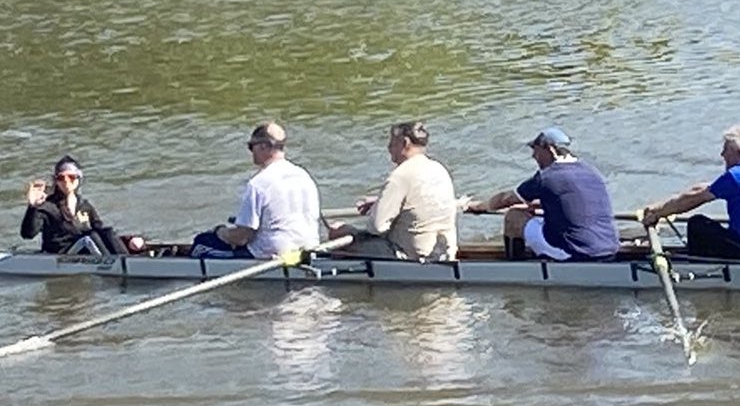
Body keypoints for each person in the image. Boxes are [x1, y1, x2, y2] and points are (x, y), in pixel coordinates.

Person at [642, 124, 740, 262]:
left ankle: (699, 272)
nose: (722, 155)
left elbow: (694, 199)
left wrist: (657, 214)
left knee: (697, 224)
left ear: (737, 152)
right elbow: (701, 189)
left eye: (725, 149)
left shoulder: (736, 176)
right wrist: (659, 208)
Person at [467, 126, 619, 261]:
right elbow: (566, 201)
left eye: (536, 150)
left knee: (514, 216)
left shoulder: (546, 177)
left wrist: (477, 206)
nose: (533, 156)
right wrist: (534, 205)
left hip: (574, 253)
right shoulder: (591, 172)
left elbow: (505, 199)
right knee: (529, 213)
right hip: (609, 248)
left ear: (550, 150)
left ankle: (515, 268)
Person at [327, 121, 458, 260]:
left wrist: (375, 210)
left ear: (405, 143)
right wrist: (379, 203)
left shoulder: (400, 176)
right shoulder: (439, 169)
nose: (388, 147)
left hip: (409, 256)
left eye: (392, 142)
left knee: (337, 230)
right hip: (445, 253)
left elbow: (376, 227)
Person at [190, 121, 321, 259]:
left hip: (273, 256)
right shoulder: (304, 176)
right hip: (308, 251)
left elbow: (242, 238)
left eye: (251, 146)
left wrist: (220, 232)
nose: (251, 152)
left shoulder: (259, 183)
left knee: (201, 243)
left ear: (263, 146)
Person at [20, 155, 129, 255]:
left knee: (108, 232)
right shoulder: (47, 206)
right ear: (56, 181)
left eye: (71, 177)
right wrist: (33, 207)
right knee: (90, 237)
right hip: (61, 254)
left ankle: (128, 259)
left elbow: (100, 230)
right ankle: (114, 267)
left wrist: (129, 241)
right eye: (61, 178)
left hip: (86, 248)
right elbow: (27, 234)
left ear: (78, 179)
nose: (66, 182)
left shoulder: (85, 205)